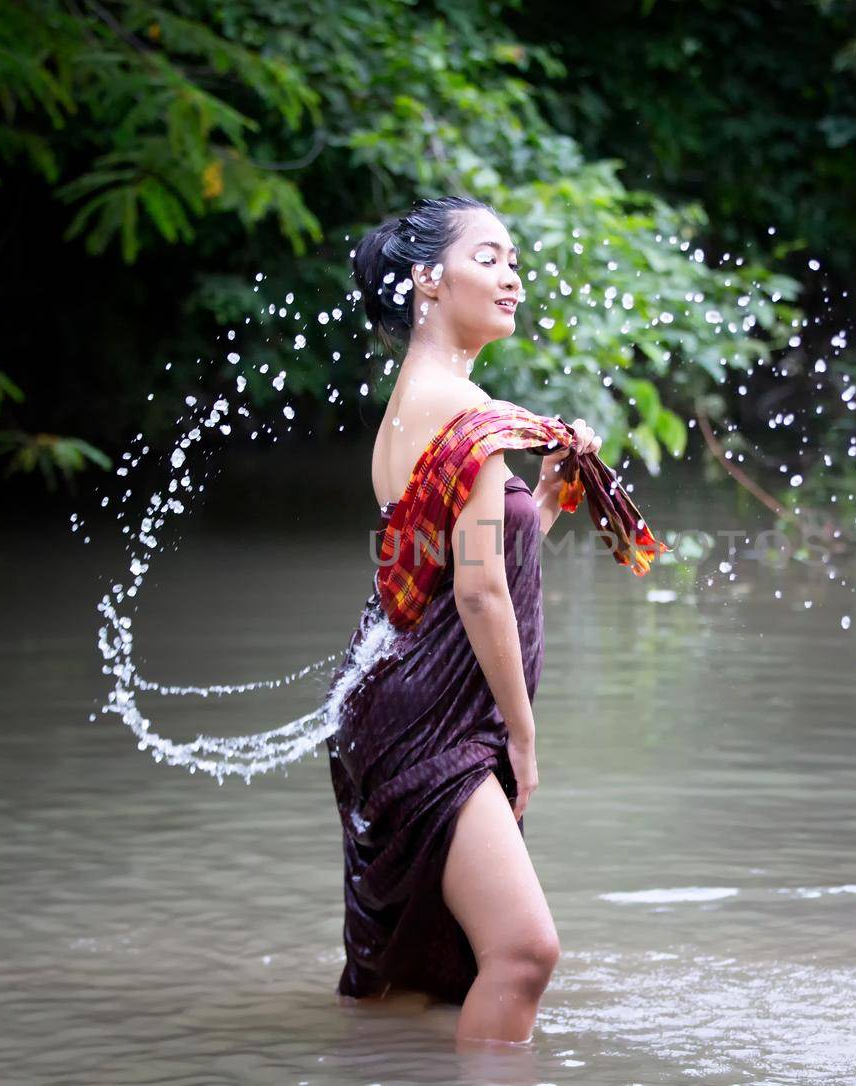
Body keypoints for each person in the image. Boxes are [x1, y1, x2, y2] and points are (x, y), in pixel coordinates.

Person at [325, 195, 602, 1049]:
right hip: (431, 720)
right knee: (521, 954)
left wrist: (542, 506)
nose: (512, 276)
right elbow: (481, 596)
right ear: (427, 281)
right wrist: (521, 738)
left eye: (515, 259)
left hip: (394, 701)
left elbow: (448, 569)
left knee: (421, 973)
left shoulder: (424, 398)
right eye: (489, 257)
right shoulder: (462, 412)